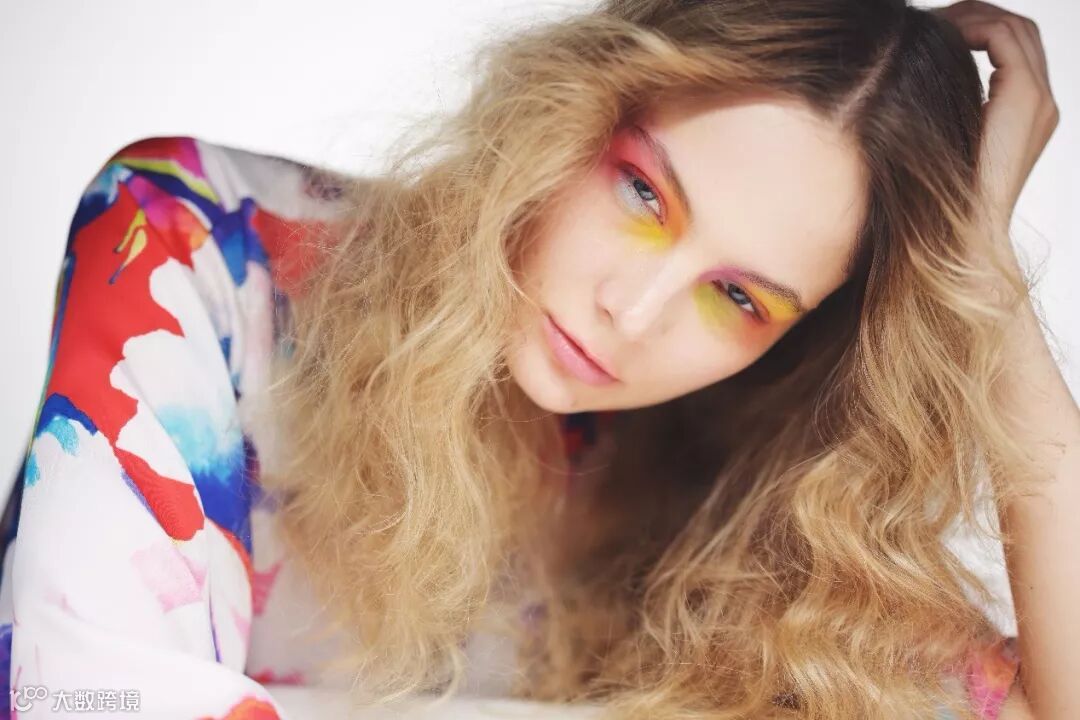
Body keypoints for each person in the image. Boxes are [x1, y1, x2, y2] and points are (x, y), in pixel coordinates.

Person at [0, 0, 1069, 717]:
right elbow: (75, 697)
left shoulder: (749, 518)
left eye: (739, 297)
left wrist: (983, 266)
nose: (632, 312)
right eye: (643, 192)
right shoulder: (198, 241)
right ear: (570, 105)